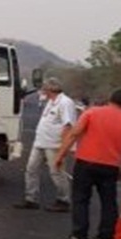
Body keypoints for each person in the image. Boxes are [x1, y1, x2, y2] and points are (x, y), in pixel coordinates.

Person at [54, 88, 121, 239]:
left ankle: (79, 235)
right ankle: (105, 237)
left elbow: (74, 134)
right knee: (109, 202)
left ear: (110, 98)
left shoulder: (92, 113)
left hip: (85, 162)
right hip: (111, 166)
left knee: (81, 199)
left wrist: (60, 155)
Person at [13, 77, 77, 212]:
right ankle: (31, 199)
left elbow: (68, 126)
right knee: (31, 169)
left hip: (54, 144)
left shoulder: (65, 103)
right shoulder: (51, 102)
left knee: (56, 173)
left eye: (44, 89)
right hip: (40, 142)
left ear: (50, 89)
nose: (42, 92)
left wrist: (63, 149)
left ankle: (63, 200)